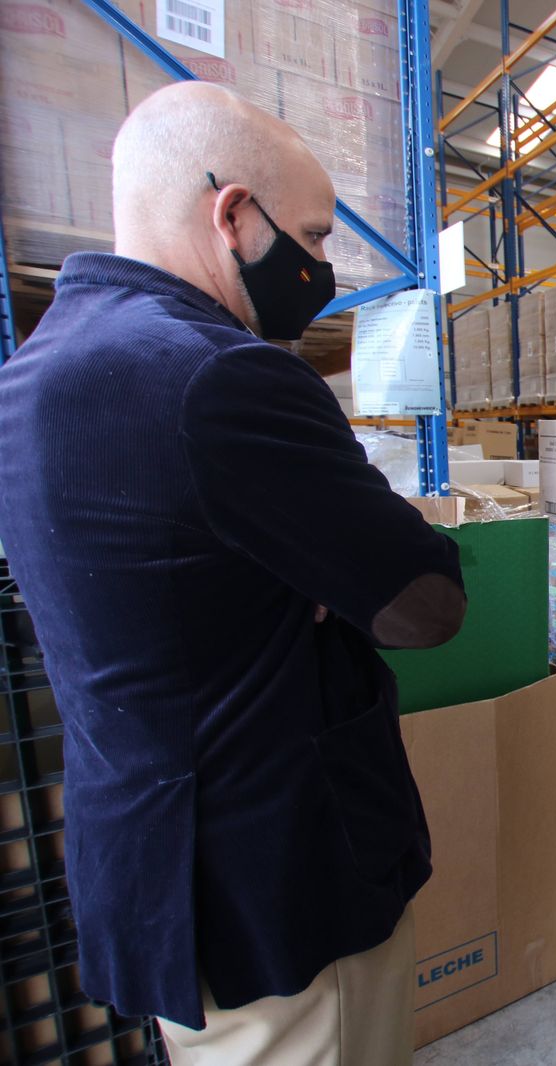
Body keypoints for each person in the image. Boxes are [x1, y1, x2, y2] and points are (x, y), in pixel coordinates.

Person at [0, 82, 467, 1063]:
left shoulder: (29, 379)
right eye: (310, 233)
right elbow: (425, 602)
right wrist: (338, 570)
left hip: (152, 879)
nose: (322, 266)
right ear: (233, 213)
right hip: (283, 883)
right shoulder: (226, 377)